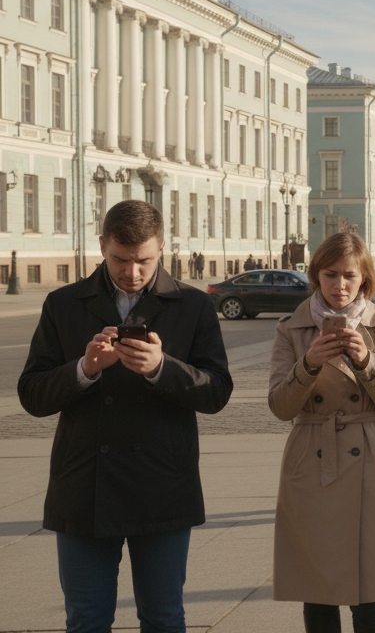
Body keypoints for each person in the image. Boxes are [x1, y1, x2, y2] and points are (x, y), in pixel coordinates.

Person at [18, 200, 232, 632]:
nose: (132, 272)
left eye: (144, 261)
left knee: (164, 616)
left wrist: (160, 367)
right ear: (102, 246)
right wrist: (85, 369)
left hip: (163, 484)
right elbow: (33, 394)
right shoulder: (64, 303)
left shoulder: (192, 305)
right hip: (84, 484)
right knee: (86, 618)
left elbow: (217, 392)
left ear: (162, 249)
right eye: (120, 259)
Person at [268, 232, 375, 632]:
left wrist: (366, 361)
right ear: (316, 275)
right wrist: (309, 365)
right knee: (316, 586)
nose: (340, 285)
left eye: (350, 276)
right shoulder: (291, 329)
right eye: (330, 274)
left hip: (370, 460)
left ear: (365, 279)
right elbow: (280, 407)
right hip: (312, 459)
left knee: (372, 586)